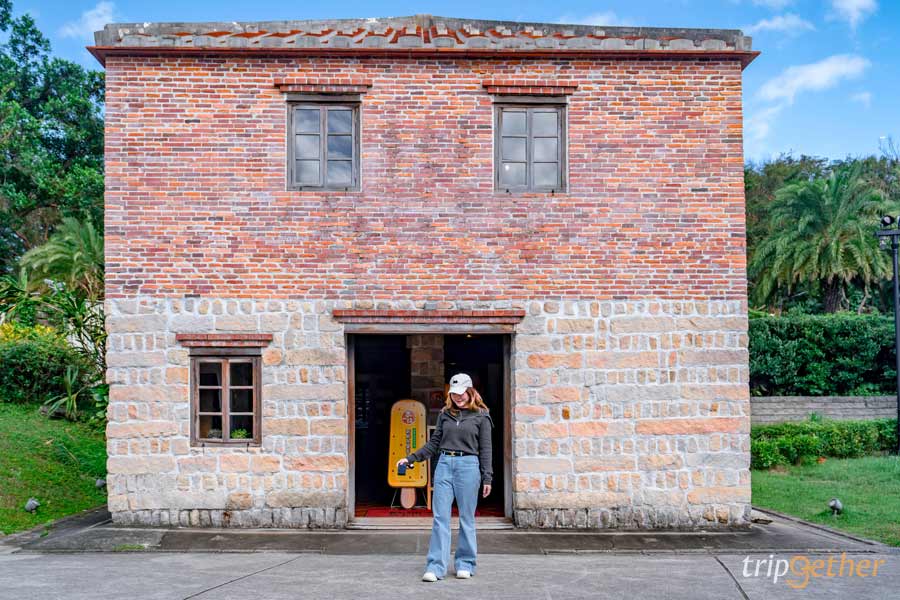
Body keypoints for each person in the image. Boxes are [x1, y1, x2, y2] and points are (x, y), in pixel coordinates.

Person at [396, 372, 494, 582]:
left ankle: (466, 563)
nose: (457, 398)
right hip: (444, 465)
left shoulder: (482, 416)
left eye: (461, 394)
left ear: (470, 391)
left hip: (469, 466)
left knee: (467, 518)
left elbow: (486, 449)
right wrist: (411, 459)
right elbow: (434, 444)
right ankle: (435, 566)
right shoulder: (445, 415)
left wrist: (487, 477)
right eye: (454, 394)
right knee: (440, 518)